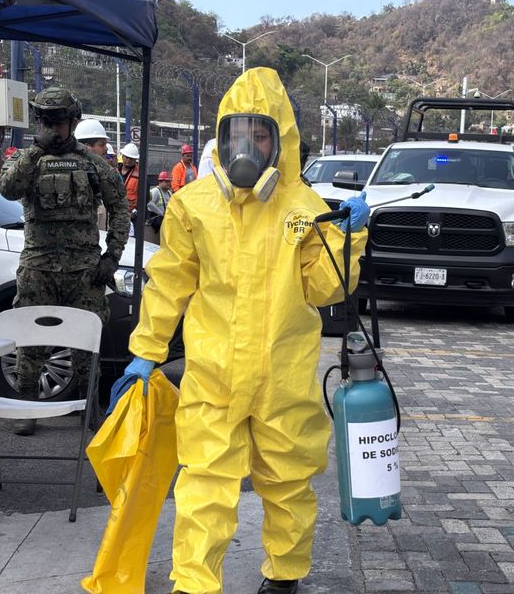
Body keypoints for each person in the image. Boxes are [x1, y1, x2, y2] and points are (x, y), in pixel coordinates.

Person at [124, 67, 369, 594]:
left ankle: (283, 577)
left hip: (284, 375)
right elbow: (170, 281)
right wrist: (146, 349)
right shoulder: (194, 205)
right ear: (221, 135)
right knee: (205, 485)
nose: (249, 145)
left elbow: (323, 290)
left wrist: (350, 238)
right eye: (239, 133)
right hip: (213, 374)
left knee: (288, 483)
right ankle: (194, 584)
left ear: (280, 139)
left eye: (261, 135)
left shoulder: (304, 208)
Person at [0, 86, 129, 436]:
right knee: (30, 339)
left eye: (59, 122)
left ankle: (90, 407)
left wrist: (111, 257)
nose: (53, 128)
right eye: (46, 121)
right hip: (38, 267)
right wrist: (38, 149)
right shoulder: (27, 158)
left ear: (73, 121)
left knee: (88, 344)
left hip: (85, 271)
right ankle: (27, 406)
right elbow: (7, 188)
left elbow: (120, 208)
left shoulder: (92, 162)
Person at [119, 142, 140, 213]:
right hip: (115, 211)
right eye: (126, 157)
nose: (128, 160)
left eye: (131, 159)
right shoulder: (114, 171)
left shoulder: (140, 175)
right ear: (122, 157)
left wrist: (136, 212)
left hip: (130, 213)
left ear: (135, 160)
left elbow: (145, 197)